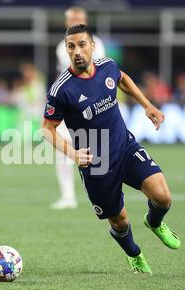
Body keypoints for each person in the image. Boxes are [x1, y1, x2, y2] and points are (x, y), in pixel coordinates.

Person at [42, 24, 180, 274]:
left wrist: (147, 105)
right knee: (119, 220)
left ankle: (154, 222)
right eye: (71, 46)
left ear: (92, 46)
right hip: (97, 164)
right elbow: (47, 129)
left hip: (125, 148)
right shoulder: (61, 90)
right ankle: (134, 254)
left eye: (82, 44)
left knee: (163, 197)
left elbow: (122, 79)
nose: (77, 51)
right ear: (66, 50)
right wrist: (73, 154)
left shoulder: (107, 66)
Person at [52, 6, 106, 210]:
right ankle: (67, 196)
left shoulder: (96, 44)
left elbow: (91, 71)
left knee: (99, 151)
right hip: (69, 105)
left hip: (95, 104)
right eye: (72, 18)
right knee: (63, 149)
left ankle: (103, 194)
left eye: (79, 17)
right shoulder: (61, 47)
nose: (75, 20)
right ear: (66, 22)